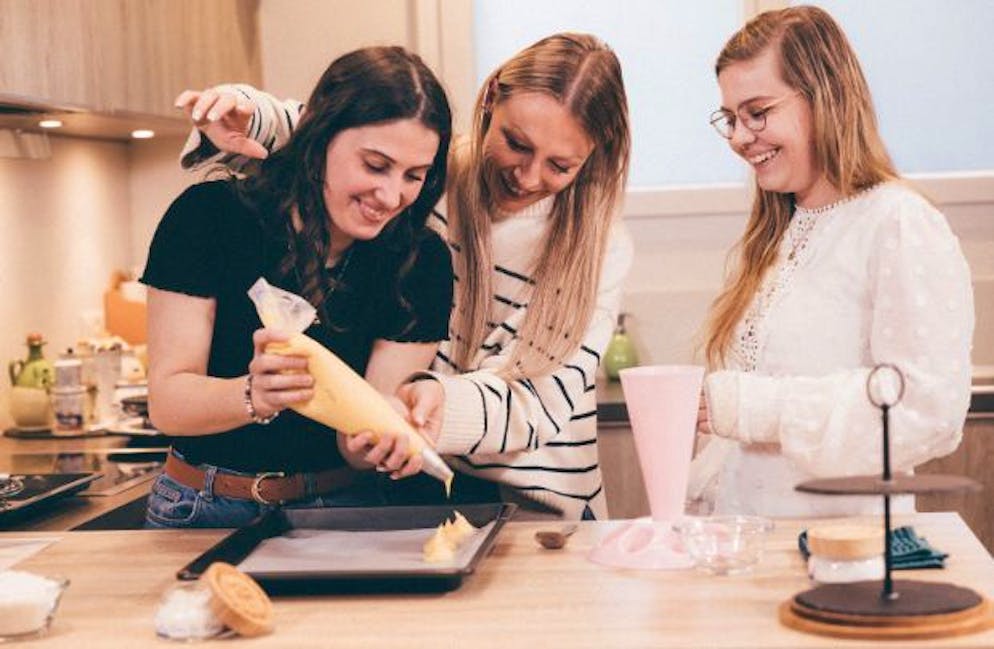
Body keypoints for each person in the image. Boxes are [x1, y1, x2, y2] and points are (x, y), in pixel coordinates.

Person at [176, 32, 633, 520]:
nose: (527, 176)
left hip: (535, 502)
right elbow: (342, 125)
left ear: (593, 157)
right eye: (516, 143)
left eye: (561, 166)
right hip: (413, 490)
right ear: (493, 94)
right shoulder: (426, 177)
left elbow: (538, 400)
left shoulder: (599, 248)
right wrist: (252, 111)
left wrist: (434, 404)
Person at [142, 46, 454, 528]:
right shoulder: (209, 218)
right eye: (374, 165)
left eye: (414, 176)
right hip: (200, 508)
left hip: (340, 511)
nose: (392, 196)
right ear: (318, 135)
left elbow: (359, 439)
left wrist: (380, 438)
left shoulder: (420, 261)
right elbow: (169, 403)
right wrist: (254, 395)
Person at [692, 5, 974, 517]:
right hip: (758, 552)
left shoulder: (898, 223)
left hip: (845, 559)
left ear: (825, 98)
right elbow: (744, 444)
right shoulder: (777, 234)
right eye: (731, 119)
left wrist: (755, 408)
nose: (738, 137)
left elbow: (927, 412)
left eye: (758, 112)